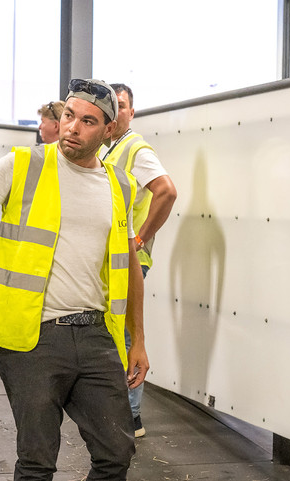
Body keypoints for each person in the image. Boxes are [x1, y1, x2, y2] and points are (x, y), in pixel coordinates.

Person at [0, 79, 148, 480]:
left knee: (116, 453)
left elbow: (130, 266)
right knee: (37, 462)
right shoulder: (24, 164)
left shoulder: (120, 184)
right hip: (34, 340)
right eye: (69, 115)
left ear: (108, 130)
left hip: (96, 337)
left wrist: (137, 339)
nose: (73, 127)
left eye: (88, 121)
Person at [99, 83, 177, 438]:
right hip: (112, 259)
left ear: (132, 112)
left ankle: (131, 419)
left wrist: (141, 238)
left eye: (123, 105)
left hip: (130, 259)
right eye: (112, 105)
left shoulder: (135, 148)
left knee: (129, 335)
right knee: (117, 333)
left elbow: (166, 191)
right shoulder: (109, 149)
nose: (118, 111)